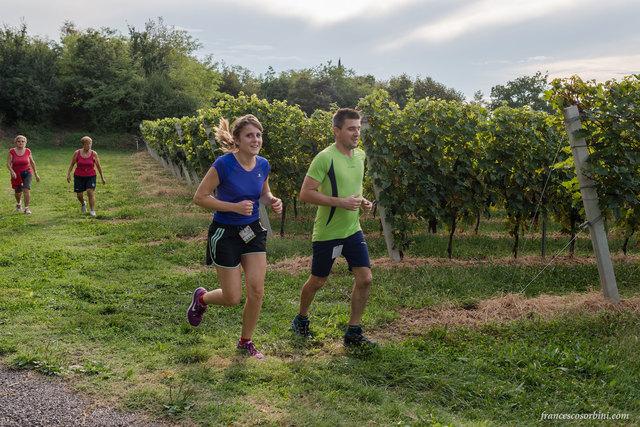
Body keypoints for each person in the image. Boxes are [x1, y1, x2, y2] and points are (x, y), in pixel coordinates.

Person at [187, 114, 282, 360]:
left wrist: (272, 200)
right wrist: (234, 207)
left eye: (259, 135)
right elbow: (200, 197)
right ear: (237, 140)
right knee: (232, 298)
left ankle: (245, 341)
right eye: (250, 135)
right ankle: (202, 298)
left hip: (252, 231)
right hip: (225, 233)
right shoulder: (224, 164)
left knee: (257, 290)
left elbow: (263, 193)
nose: (256, 139)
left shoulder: (263, 165)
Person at [291, 108, 376, 348]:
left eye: (358, 128)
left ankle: (353, 332)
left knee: (365, 279)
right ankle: (301, 318)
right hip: (328, 232)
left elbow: (352, 189)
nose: (356, 133)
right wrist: (340, 202)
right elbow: (305, 193)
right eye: (351, 129)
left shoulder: (360, 156)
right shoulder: (324, 158)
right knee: (318, 281)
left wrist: (362, 201)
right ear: (336, 131)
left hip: (352, 230)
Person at [66, 136, 106, 217]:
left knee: (90, 192)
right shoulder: (77, 153)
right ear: (83, 144)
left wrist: (102, 177)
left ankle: (92, 210)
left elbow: (98, 166)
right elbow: (72, 164)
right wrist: (68, 174)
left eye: (90, 143)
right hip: (79, 176)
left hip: (91, 176)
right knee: (79, 195)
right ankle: (83, 203)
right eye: (88, 144)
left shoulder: (94, 153)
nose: (90, 145)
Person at [7, 135, 40, 214]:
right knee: (18, 192)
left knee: (26, 189)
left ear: (25, 142)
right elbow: (8, 164)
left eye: (23, 141)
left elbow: (32, 162)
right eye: (19, 141)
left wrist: (36, 174)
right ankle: (18, 204)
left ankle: (26, 208)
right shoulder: (12, 151)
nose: (21, 143)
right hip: (16, 174)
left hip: (27, 172)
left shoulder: (28, 151)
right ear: (16, 142)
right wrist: (12, 171)